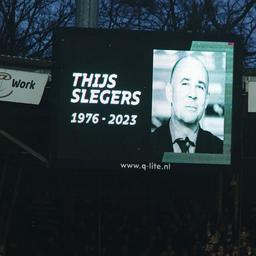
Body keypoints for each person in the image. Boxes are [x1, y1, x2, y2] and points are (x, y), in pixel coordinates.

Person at [151, 55, 223, 161]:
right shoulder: (147, 144)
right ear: (169, 92)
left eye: (200, 86)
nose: (192, 94)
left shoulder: (220, 149)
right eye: (185, 84)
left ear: (207, 99)